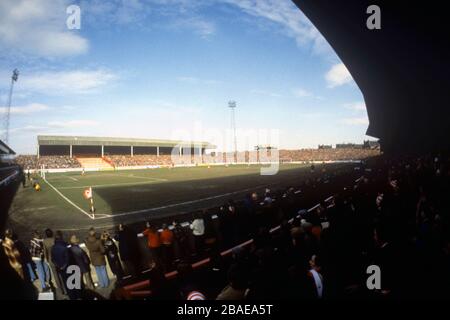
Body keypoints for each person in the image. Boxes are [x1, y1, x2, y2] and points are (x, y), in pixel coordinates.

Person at [43, 228, 66, 295]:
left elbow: (45, 252)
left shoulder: (44, 241)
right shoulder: (54, 239)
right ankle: (65, 289)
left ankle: (61, 291)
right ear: (52, 233)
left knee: (56, 276)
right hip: (58, 258)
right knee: (61, 274)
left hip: (51, 260)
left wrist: (47, 260)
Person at [51, 231, 72, 298]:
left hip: (59, 267)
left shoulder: (53, 247)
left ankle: (68, 293)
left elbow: (53, 259)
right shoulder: (65, 246)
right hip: (67, 266)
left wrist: (58, 266)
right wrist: (64, 266)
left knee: (64, 280)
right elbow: (68, 258)